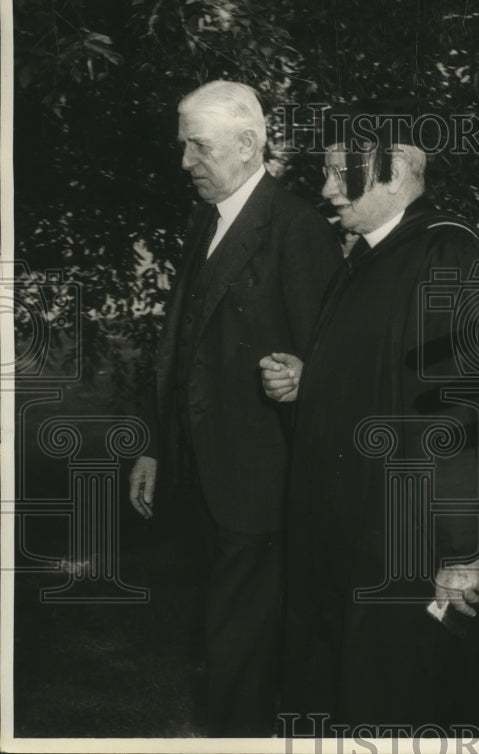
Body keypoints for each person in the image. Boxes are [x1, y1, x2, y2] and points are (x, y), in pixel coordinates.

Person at [261, 104, 479, 736]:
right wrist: (310, 383)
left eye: (338, 172)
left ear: (394, 171)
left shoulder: (447, 253)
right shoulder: (371, 255)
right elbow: (386, 381)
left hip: (418, 543)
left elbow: (464, 410)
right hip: (365, 539)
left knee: (444, 703)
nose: (323, 188)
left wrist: (463, 550)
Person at [128, 80, 341, 736]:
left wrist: (308, 378)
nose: (186, 161)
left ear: (248, 145)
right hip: (207, 478)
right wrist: (157, 446)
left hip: (264, 484)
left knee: (238, 652)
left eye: (198, 146)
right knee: (239, 645)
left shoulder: (297, 228)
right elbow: (179, 345)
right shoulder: (207, 219)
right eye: (185, 146)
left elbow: (332, 362)